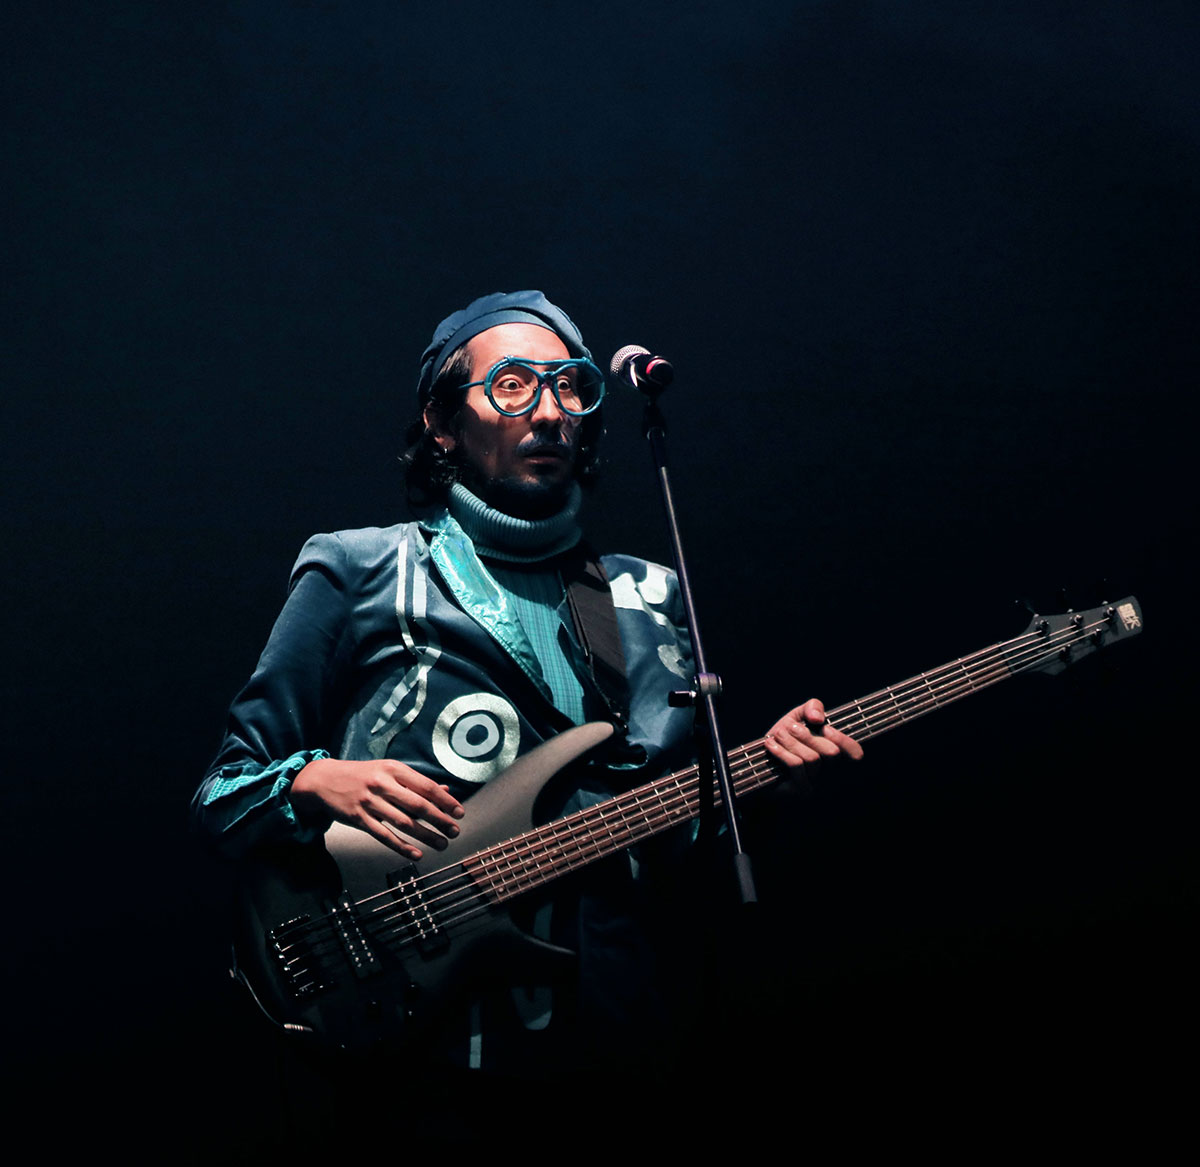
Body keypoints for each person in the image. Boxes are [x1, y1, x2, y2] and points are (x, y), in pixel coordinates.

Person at [192, 290, 861, 1098]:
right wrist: (312, 778)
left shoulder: (648, 596)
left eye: (569, 387)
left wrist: (763, 790)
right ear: (442, 422)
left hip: (619, 1038)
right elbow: (223, 794)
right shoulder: (357, 569)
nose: (547, 412)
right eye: (512, 385)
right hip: (428, 1049)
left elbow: (669, 845)